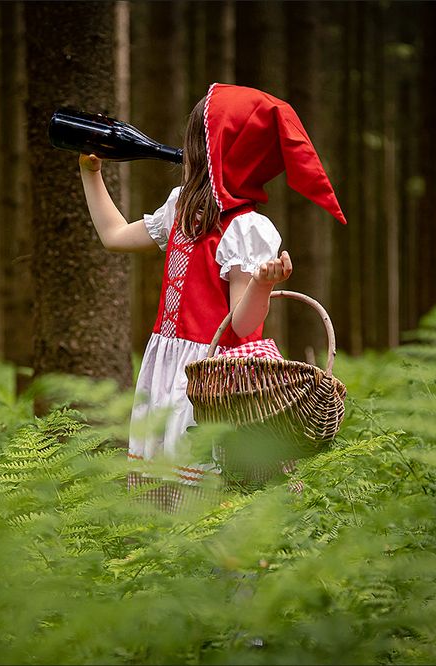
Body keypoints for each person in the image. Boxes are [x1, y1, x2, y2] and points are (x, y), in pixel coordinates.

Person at [77, 83, 346, 509]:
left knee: (212, 494)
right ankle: (173, 570)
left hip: (213, 381)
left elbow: (242, 326)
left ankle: (228, 574)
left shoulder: (245, 228)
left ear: (220, 151)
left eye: (198, 140)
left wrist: (262, 281)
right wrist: (91, 173)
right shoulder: (182, 207)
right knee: (165, 494)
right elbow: (114, 236)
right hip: (170, 367)